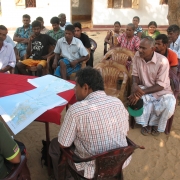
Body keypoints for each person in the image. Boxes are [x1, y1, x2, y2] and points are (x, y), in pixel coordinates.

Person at [49, 67, 130, 180]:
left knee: (54, 145)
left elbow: (63, 144)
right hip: (119, 161)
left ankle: (61, 176)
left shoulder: (76, 110)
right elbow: (126, 131)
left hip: (92, 168)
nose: (74, 89)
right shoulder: (117, 102)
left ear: (86, 87)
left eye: (76, 85)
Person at [129, 36, 176, 136]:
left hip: (162, 91)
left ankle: (155, 124)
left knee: (169, 104)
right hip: (145, 88)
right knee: (135, 99)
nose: (140, 50)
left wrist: (142, 92)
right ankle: (146, 124)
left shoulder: (162, 61)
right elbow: (135, 74)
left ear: (153, 49)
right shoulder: (137, 55)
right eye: (139, 47)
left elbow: (161, 85)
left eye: (143, 48)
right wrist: (134, 84)